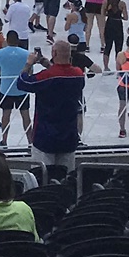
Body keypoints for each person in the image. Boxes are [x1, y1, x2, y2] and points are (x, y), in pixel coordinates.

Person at [24, 40, 86, 184]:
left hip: (45, 136)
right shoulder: (78, 75)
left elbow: (23, 83)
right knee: (66, 180)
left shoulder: (47, 76)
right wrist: (49, 65)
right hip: (69, 136)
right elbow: (62, 76)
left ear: (54, 53)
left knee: (42, 180)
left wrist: (29, 64)